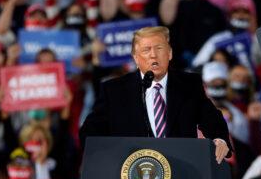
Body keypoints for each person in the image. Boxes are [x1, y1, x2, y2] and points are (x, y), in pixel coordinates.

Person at [79, 26, 232, 163]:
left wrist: (220, 140)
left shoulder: (189, 84)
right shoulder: (114, 90)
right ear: (135, 57)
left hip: (181, 169)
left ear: (170, 53)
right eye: (146, 50)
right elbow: (90, 133)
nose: (153, 55)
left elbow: (212, 119)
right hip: (130, 176)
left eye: (159, 48)